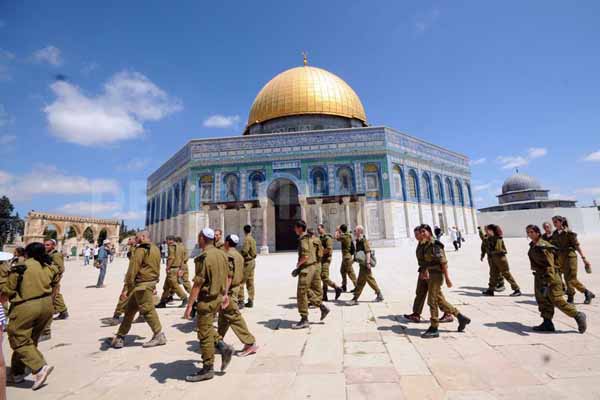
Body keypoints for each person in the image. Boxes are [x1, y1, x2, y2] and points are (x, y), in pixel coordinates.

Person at [3, 242, 58, 390]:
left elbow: (8, 290)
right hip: (46, 304)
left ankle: (39, 368)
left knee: (18, 338)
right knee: (30, 340)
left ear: (27, 253)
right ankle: (17, 373)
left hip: (27, 305)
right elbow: (55, 280)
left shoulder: (21, 268)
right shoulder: (47, 266)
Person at [183, 228, 233, 382]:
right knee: (208, 327)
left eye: (199, 237)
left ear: (202, 238)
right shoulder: (222, 254)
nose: (198, 240)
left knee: (203, 334)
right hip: (218, 298)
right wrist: (225, 294)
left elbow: (198, 284)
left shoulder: (204, 258)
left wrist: (189, 305)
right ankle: (223, 347)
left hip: (206, 300)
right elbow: (227, 276)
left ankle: (208, 368)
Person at [109, 231, 166, 349]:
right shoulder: (156, 249)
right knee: (129, 311)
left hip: (141, 286)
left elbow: (133, 269)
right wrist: (154, 283)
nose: (136, 239)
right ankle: (120, 336)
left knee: (148, 310)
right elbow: (156, 267)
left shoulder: (141, 250)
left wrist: (127, 289)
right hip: (148, 283)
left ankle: (158, 335)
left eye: (137, 237)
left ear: (143, 237)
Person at [526, 224, 587, 333]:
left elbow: (550, 265)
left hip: (551, 276)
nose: (530, 234)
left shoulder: (543, 246)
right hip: (540, 276)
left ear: (537, 232)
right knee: (542, 300)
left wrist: (548, 281)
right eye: (528, 232)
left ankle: (578, 315)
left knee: (557, 299)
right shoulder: (533, 245)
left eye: (532, 232)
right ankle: (547, 323)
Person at [418, 224, 471, 338]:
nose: (422, 234)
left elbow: (443, 262)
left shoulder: (435, 244)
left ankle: (434, 327)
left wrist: (447, 279)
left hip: (436, 276)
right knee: (440, 300)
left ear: (429, 231)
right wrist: (424, 271)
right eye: (420, 232)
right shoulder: (425, 244)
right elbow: (426, 261)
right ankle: (461, 317)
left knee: (431, 301)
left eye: (424, 231)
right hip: (429, 275)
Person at [218, 234, 258, 357]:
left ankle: (249, 343)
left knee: (234, 316)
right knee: (223, 317)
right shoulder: (239, 256)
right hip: (235, 288)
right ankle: (218, 340)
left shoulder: (228, 255)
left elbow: (229, 276)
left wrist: (224, 293)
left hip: (229, 291)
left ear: (226, 243)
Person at [404, 226, 453, 323]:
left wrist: (447, 278)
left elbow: (442, 262)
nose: (417, 236)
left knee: (436, 296)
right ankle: (416, 314)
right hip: (423, 272)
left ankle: (449, 314)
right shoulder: (421, 243)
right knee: (420, 292)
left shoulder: (432, 244)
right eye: (416, 234)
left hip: (432, 274)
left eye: (418, 234)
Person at [291, 220, 330, 329]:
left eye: (295, 227)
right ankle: (322, 307)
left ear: (299, 228)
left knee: (301, 293)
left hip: (306, 269)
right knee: (307, 291)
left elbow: (305, 256)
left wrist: (298, 265)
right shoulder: (310, 237)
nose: (294, 229)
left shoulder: (303, 239)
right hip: (313, 267)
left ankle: (304, 319)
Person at [551, 216, 594, 304]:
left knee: (571, 278)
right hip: (560, 258)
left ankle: (586, 292)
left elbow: (576, 246)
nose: (554, 223)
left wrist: (583, 258)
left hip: (570, 257)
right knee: (567, 278)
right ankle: (571, 297)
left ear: (561, 222)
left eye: (556, 222)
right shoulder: (555, 233)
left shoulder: (569, 233)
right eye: (553, 222)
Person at [481, 224, 521, 297]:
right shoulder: (488, 238)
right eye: (485, 230)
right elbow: (484, 245)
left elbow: (498, 250)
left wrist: (490, 252)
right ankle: (490, 290)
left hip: (500, 259)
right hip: (493, 259)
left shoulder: (497, 238)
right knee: (493, 274)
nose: (485, 231)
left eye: (487, 230)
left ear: (491, 231)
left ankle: (517, 289)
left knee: (506, 273)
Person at [348, 225, 383, 305]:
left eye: (355, 230)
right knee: (367, 280)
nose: (354, 232)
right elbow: (359, 253)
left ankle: (355, 299)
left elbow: (368, 252)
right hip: (362, 264)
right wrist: (353, 260)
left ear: (360, 231)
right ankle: (379, 294)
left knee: (363, 281)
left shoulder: (364, 240)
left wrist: (368, 263)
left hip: (365, 265)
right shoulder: (358, 240)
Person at [156, 236, 188, 308]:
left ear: (170, 240)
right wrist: (181, 268)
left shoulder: (171, 246)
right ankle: (163, 301)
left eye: (167, 240)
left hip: (172, 269)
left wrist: (167, 267)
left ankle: (184, 297)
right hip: (177, 268)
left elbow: (171, 258)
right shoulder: (180, 247)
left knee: (174, 285)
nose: (166, 242)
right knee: (166, 286)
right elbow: (183, 258)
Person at [317, 224, 342, 301]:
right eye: (317, 229)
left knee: (324, 276)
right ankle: (324, 295)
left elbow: (328, 249)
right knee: (323, 276)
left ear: (323, 229)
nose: (318, 230)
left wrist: (320, 252)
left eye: (319, 229)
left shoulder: (327, 238)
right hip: (321, 259)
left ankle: (337, 288)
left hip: (326, 259)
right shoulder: (320, 238)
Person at [239, 225, 257, 308]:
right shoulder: (252, 239)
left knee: (241, 281)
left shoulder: (247, 239)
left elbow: (245, 251)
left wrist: (239, 255)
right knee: (250, 281)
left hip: (247, 262)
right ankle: (251, 299)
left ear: (244, 231)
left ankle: (241, 300)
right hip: (252, 261)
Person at [335, 224, 357, 292]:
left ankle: (357, 286)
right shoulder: (348, 234)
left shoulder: (344, 236)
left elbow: (336, 238)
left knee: (350, 273)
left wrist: (337, 231)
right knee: (342, 271)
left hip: (347, 257)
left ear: (341, 230)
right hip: (345, 257)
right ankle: (344, 285)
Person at [307, 228, 324, 307]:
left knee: (315, 283)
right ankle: (315, 300)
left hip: (314, 264)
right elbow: (320, 253)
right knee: (314, 283)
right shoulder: (317, 240)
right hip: (316, 263)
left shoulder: (309, 241)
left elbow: (320, 254)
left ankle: (318, 301)